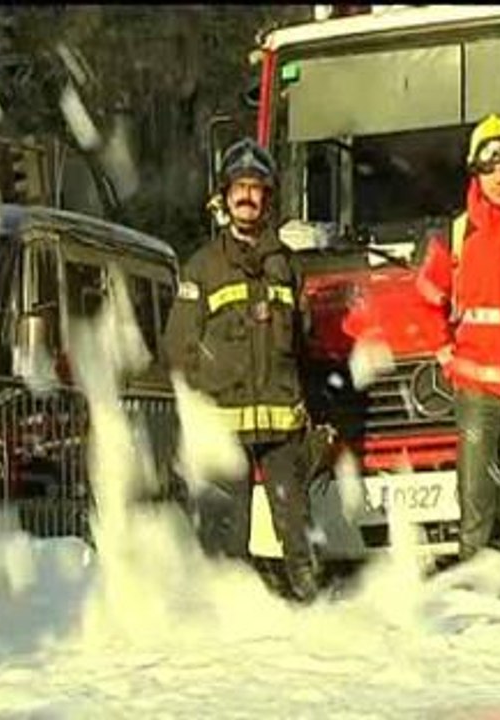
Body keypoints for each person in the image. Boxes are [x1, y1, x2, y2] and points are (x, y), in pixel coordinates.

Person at [163, 137, 319, 603]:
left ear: (268, 198)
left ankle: (315, 611)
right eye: (240, 188)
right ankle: (230, 617)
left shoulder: (287, 267)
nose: (247, 197)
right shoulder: (203, 267)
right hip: (224, 425)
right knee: (229, 537)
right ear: (225, 197)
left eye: (256, 188)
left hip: (281, 430)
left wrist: (310, 406)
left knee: (297, 530)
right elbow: (178, 346)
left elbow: (304, 340)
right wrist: (200, 404)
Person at [416, 114, 500, 604]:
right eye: (490, 167)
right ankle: (475, 588)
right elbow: (428, 298)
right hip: (476, 391)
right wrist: (446, 353)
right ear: (475, 174)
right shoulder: (457, 236)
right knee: (475, 496)